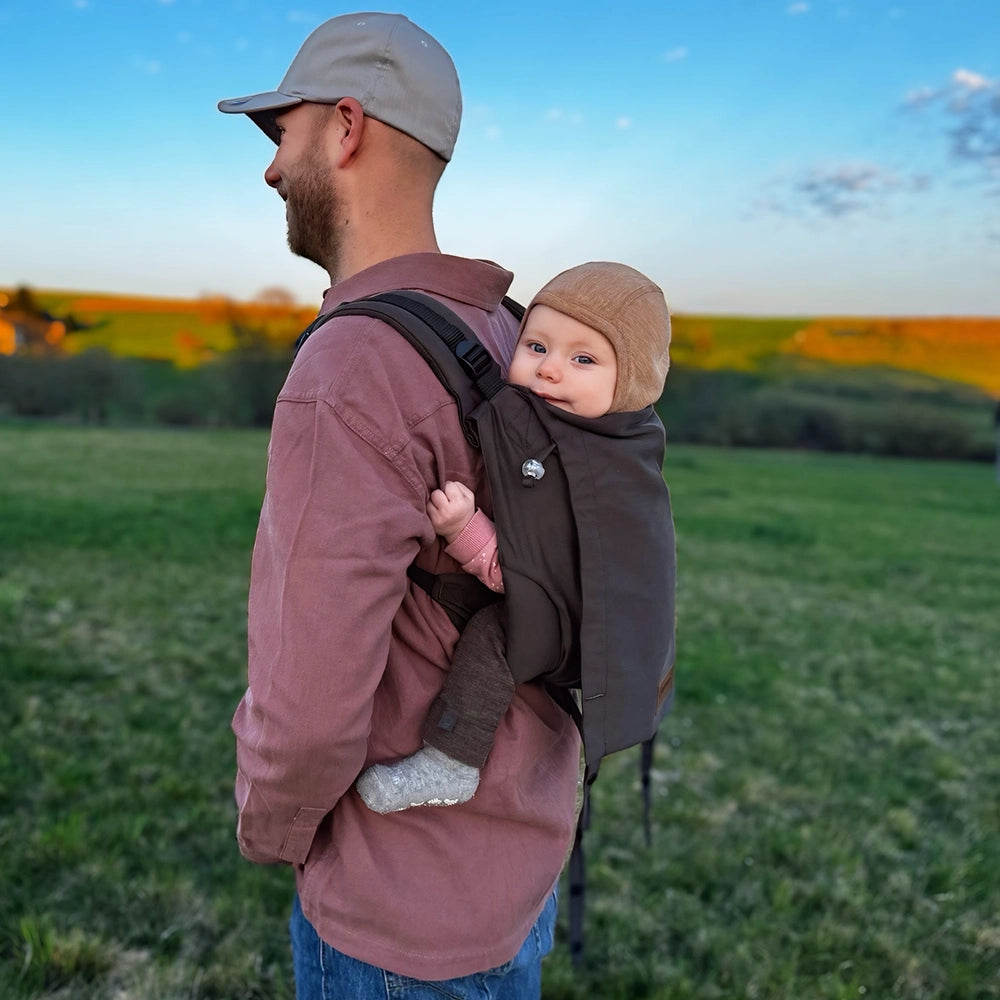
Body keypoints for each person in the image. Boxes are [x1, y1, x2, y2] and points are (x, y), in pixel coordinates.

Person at [217, 12, 581, 998]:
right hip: (517, 873)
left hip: (397, 914)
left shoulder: (350, 367)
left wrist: (272, 825)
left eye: (278, 133)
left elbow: (306, 705)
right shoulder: (517, 334)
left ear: (345, 127)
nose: (269, 168)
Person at [356, 261, 671, 814]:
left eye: (583, 359)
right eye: (537, 347)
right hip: (593, 620)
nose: (549, 371)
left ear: (632, 382)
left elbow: (533, 573)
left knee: (494, 635)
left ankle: (452, 760)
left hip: (584, 627)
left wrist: (464, 530)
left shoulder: (602, 468)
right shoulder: (584, 432)